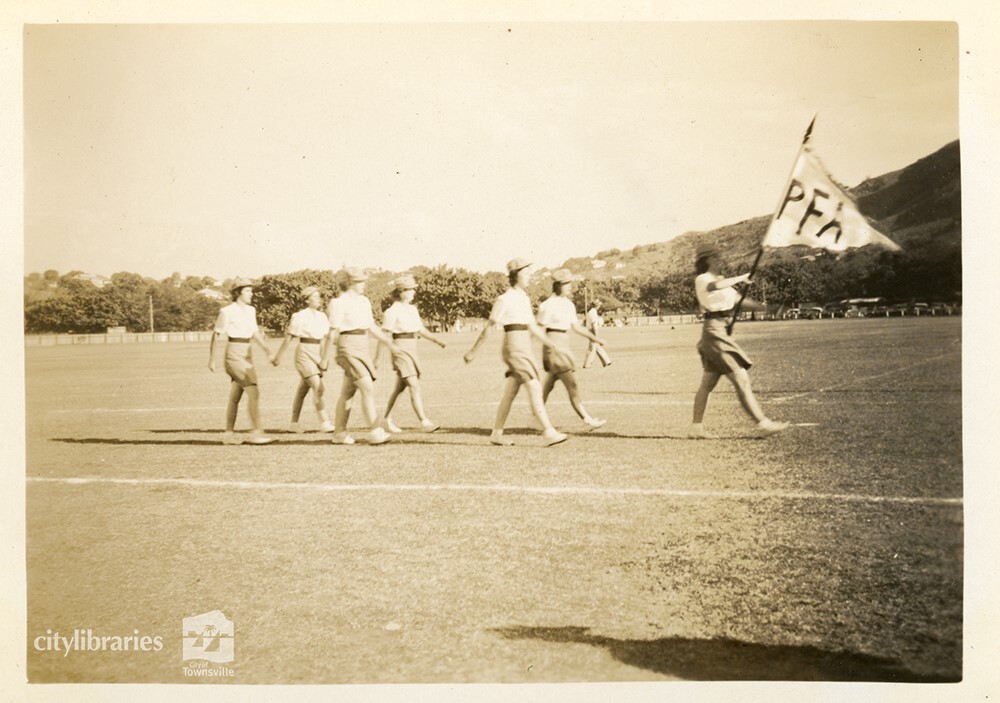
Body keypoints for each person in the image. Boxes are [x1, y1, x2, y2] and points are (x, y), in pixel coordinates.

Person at [463, 258, 569, 447]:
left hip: (524, 346)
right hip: (513, 347)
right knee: (535, 386)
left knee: (510, 391)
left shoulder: (524, 298)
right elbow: (489, 327)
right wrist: (473, 351)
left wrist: (551, 344)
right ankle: (548, 431)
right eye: (526, 272)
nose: (529, 275)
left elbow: (533, 327)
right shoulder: (504, 299)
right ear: (515, 275)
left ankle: (496, 433)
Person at [690, 243, 789, 438]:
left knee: (707, 384)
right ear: (708, 260)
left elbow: (738, 301)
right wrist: (743, 277)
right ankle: (762, 423)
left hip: (720, 332)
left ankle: (695, 428)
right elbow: (714, 286)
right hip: (714, 331)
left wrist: (764, 308)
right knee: (741, 379)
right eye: (717, 257)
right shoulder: (703, 279)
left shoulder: (722, 281)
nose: (721, 260)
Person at [323, 268, 400, 445]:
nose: (364, 284)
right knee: (366, 387)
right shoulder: (338, 303)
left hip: (362, 345)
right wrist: (324, 357)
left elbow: (371, 326)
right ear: (350, 283)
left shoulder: (364, 301)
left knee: (348, 392)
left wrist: (389, 344)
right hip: (347, 346)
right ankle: (375, 431)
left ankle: (339, 433)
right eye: (360, 281)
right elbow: (333, 331)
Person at [536, 269, 608, 430]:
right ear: (558, 285)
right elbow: (539, 328)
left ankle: (536, 417)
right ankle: (588, 420)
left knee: (548, 386)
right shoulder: (548, 305)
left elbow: (576, 328)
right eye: (566, 283)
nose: (570, 286)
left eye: (570, 283)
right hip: (554, 347)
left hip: (564, 346)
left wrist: (596, 339)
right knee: (572, 385)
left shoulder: (568, 304)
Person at [208, 278, 276, 445]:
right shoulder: (227, 311)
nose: (251, 294)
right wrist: (212, 359)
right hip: (234, 353)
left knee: (235, 396)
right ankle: (257, 433)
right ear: (238, 292)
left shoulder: (251, 310)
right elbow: (216, 334)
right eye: (247, 291)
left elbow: (255, 333)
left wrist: (268, 351)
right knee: (253, 391)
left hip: (247, 353)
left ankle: (228, 434)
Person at [380, 274, 448, 433]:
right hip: (400, 349)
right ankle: (424, 421)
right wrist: (393, 350)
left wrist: (436, 341)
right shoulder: (392, 311)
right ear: (401, 291)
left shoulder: (412, 309)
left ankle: (386, 420)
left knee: (399, 388)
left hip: (412, 349)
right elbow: (386, 334)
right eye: (410, 290)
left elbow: (420, 330)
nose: (413, 293)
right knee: (414, 385)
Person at [271, 286, 334, 433]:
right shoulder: (299, 316)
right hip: (304, 353)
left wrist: (324, 358)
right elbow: (289, 337)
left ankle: (293, 424)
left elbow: (326, 339)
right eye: (315, 296)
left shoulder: (322, 316)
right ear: (307, 300)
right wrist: (278, 357)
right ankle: (325, 422)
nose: (319, 299)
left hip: (317, 352)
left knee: (302, 390)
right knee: (318, 387)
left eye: (319, 296)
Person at [582, 300, 612, 368]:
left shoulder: (590, 312)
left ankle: (606, 361)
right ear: (597, 306)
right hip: (592, 330)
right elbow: (594, 325)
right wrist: (597, 336)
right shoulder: (593, 313)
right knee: (592, 348)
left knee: (596, 346)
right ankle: (587, 364)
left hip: (589, 330)